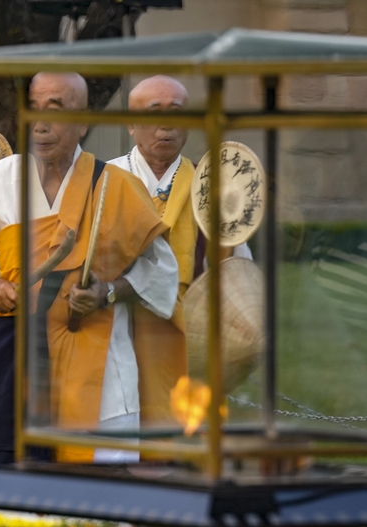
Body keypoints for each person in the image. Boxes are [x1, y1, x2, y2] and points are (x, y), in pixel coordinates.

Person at [0, 72, 178, 469]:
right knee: (14, 503)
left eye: (57, 110)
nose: (43, 124)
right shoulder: (6, 178)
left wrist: (109, 291)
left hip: (100, 376)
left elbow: (161, 269)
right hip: (14, 369)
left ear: (84, 120)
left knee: (100, 501)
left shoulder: (116, 185)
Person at [109, 75, 252, 425]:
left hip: (187, 338)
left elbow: (236, 272)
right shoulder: (105, 180)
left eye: (177, 112)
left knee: (178, 445)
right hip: (116, 330)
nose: (166, 124)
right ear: (130, 123)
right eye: (153, 112)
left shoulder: (212, 189)